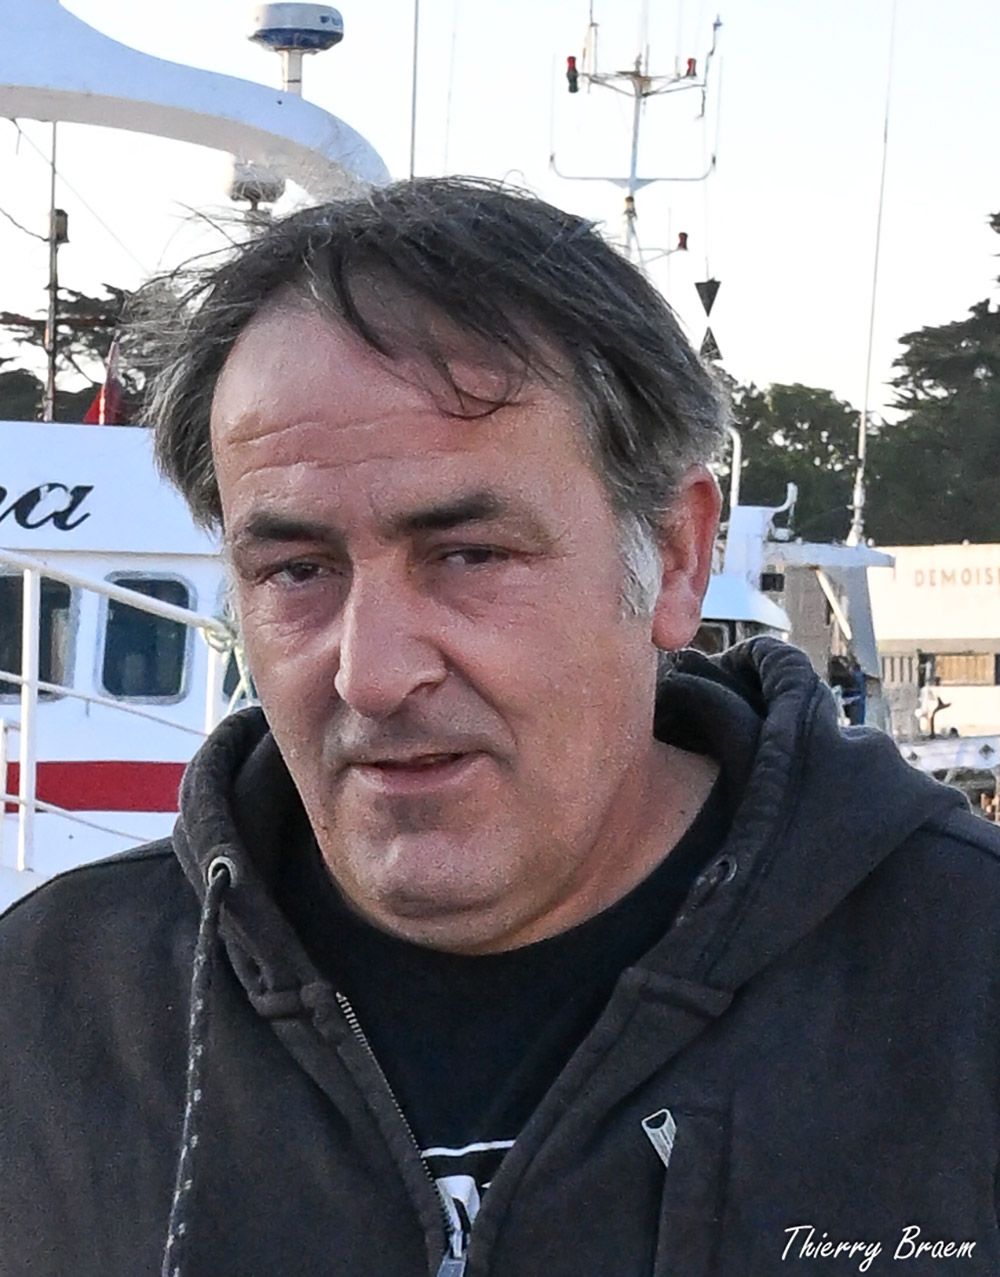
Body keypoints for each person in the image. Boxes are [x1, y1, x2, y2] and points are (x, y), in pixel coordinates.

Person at [2, 178, 999, 1277]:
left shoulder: (965, 980)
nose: (373, 673)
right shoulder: (45, 1013)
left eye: (469, 554)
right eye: (295, 569)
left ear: (674, 557)